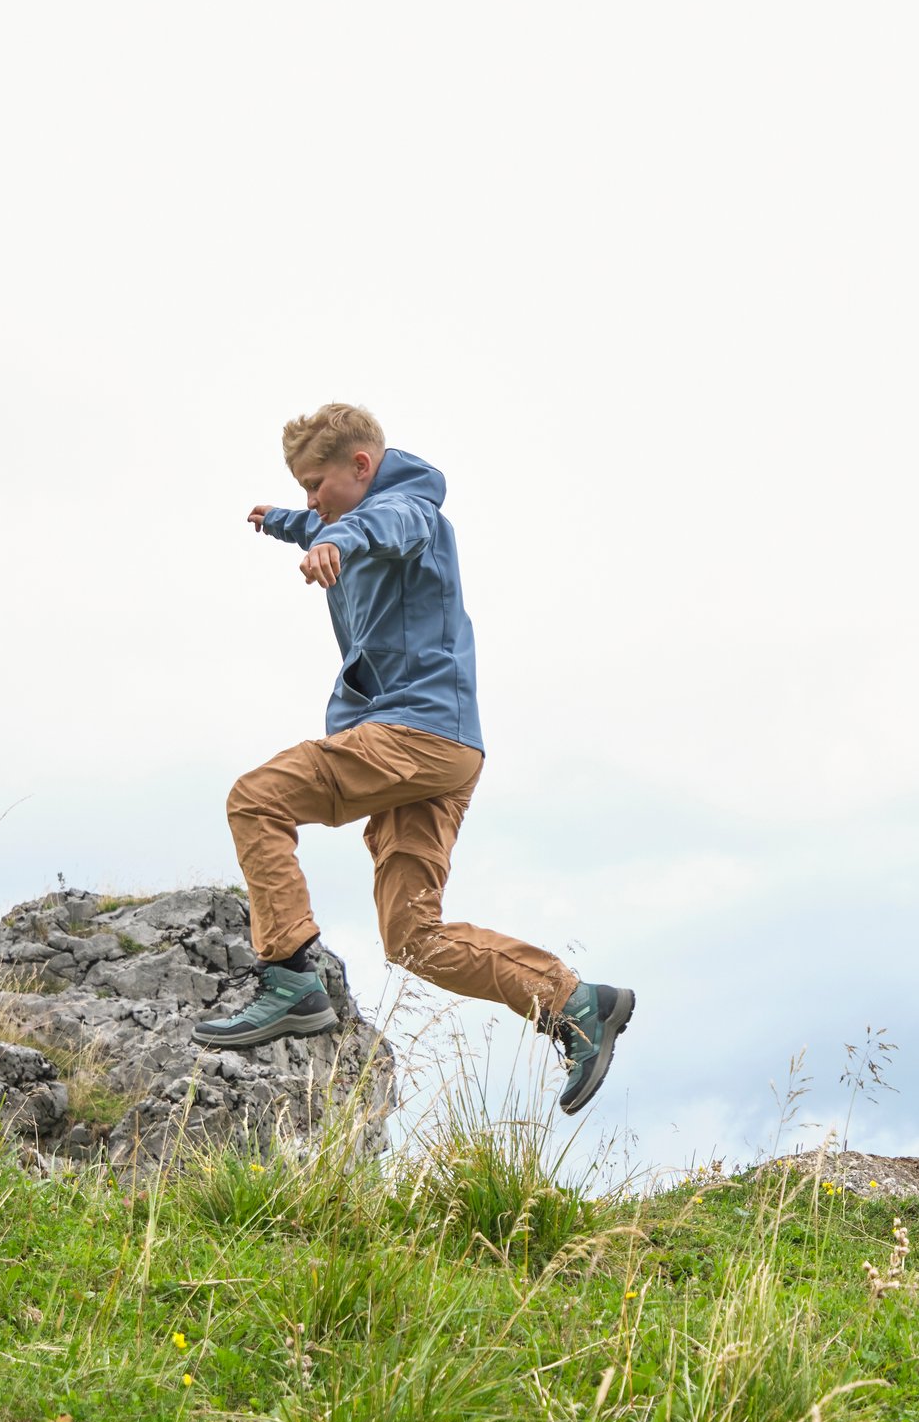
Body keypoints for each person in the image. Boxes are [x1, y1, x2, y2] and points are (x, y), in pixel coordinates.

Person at [194, 404, 638, 1114]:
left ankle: (289, 977)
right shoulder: (339, 516)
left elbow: (378, 526)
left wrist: (333, 539)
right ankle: (577, 1002)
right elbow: (322, 522)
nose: (314, 499)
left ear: (361, 467)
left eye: (318, 482)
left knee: (257, 798)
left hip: (413, 735)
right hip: (449, 750)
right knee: (413, 940)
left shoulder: (407, 515)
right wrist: (283, 520)